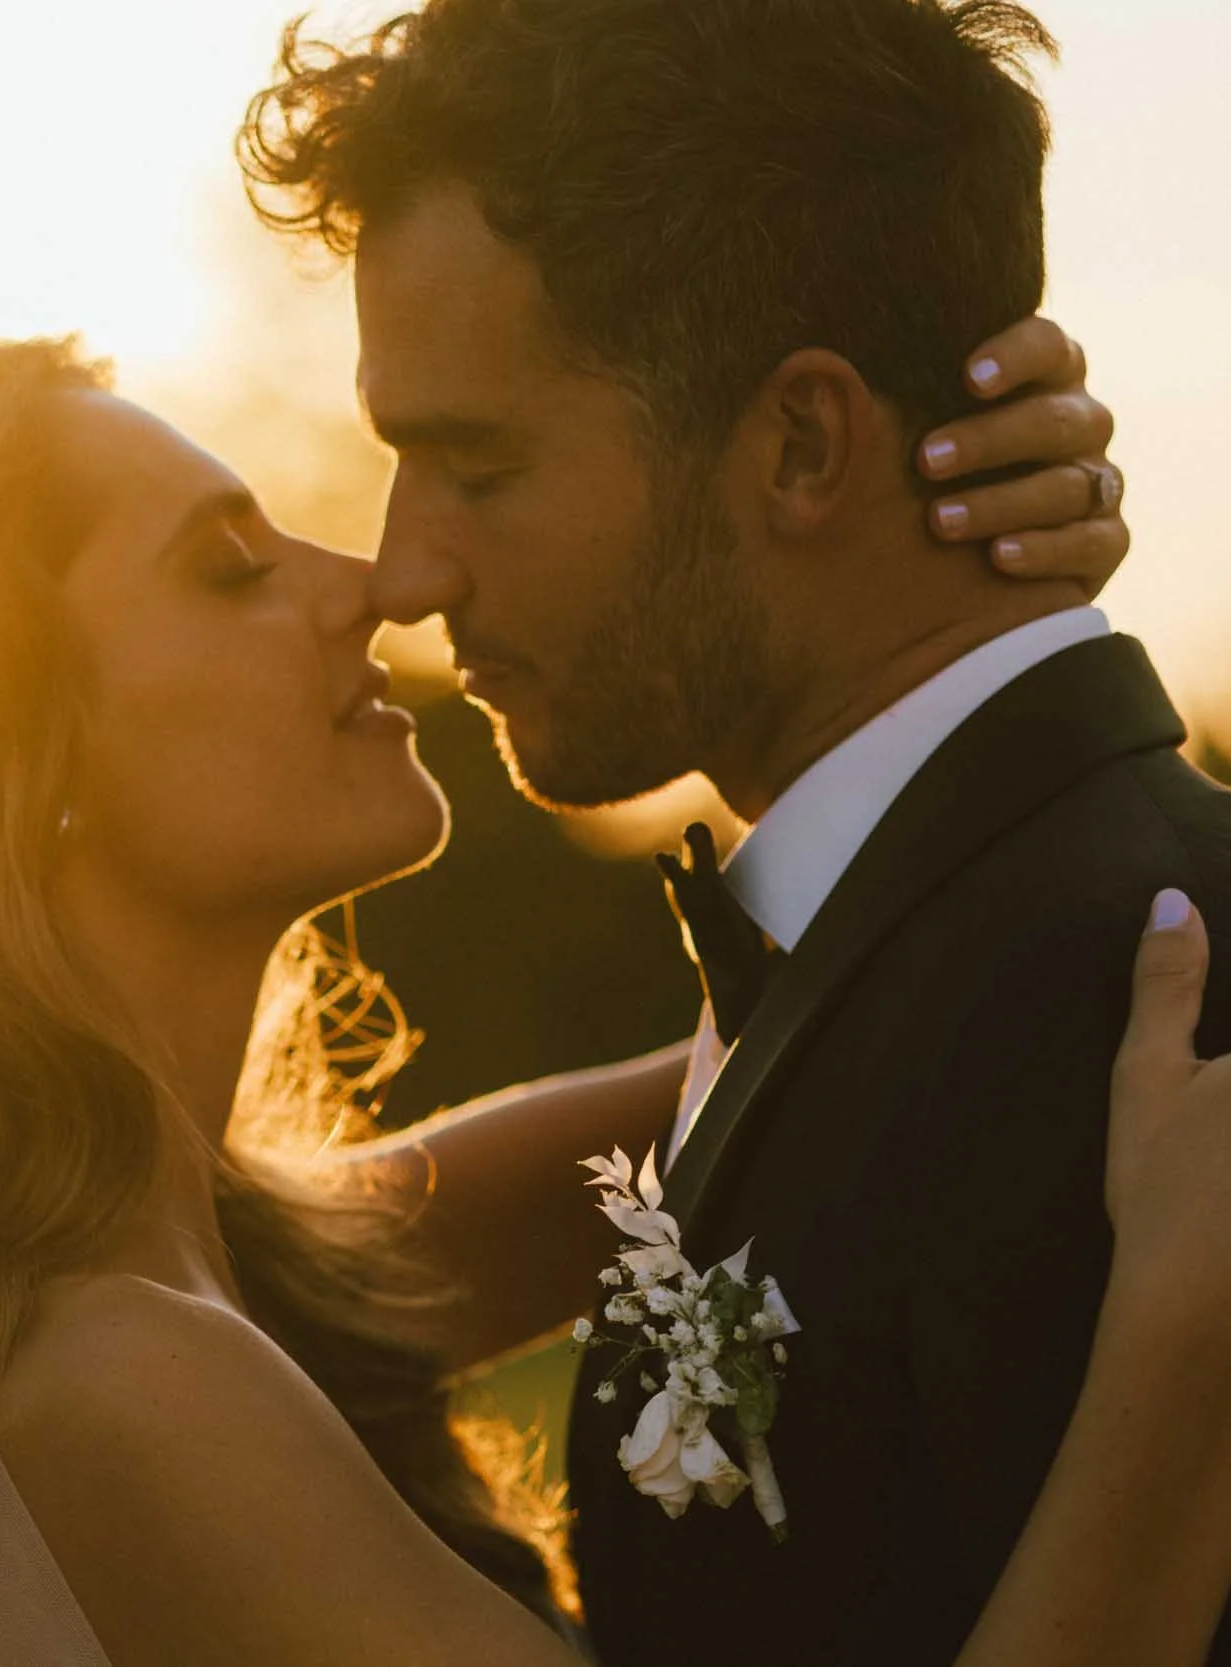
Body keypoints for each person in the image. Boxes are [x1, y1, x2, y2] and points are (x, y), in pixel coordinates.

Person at [0, 322, 1225, 1662]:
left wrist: (911, 534)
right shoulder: (112, 1380)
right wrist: (1182, 1348)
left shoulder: (189, 1257)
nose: (370, 578)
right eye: (229, 569)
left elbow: (783, 1059)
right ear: (17, 755)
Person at [237, 0, 1231, 1661]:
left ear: (801, 442)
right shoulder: (854, 968)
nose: (405, 575)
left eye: (473, 465)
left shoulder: (1153, 1026)